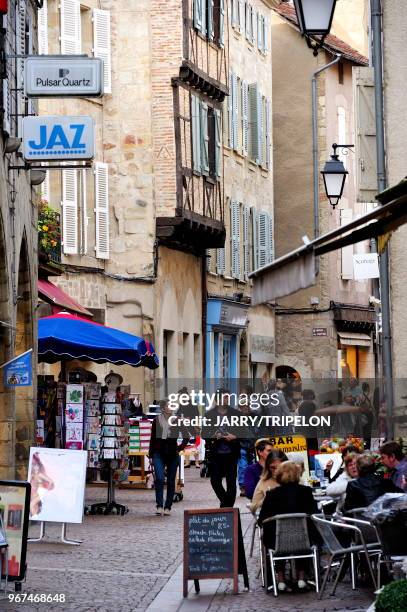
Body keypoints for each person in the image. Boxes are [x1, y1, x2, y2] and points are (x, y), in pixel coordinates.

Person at [259, 461, 319, 592]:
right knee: (306, 531)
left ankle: (280, 579)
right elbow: (316, 515)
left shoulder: (272, 494)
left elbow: (262, 520)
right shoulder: (306, 492)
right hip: (304, 541)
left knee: (274, 532)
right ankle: (302, 578)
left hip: (277, 543)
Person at [202, 389, 245, 508]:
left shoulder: (236, 413)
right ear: (218, 399)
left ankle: (227, 508)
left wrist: (235, 436)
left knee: (231, 481)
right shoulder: (209, 414)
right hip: (216, 454)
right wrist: (213, 436)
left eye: (228, 397)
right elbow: (204, 434)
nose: (227, 399)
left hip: (231, 453)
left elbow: (244, 431)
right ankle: (227, 504)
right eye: (224, 397)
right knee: (215, 481)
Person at [148, 399, 190, 516]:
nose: (171, 407)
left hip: (172, 454)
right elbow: (152, 439)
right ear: (163, 408)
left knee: (171, 481)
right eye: (169, 405)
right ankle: (159, 505)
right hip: (158, 453)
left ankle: (168, 506)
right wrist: (151, 454)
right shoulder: (156, 421)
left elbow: (186, 436)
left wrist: (180, 448)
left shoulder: (177, 420)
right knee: (160, 479)